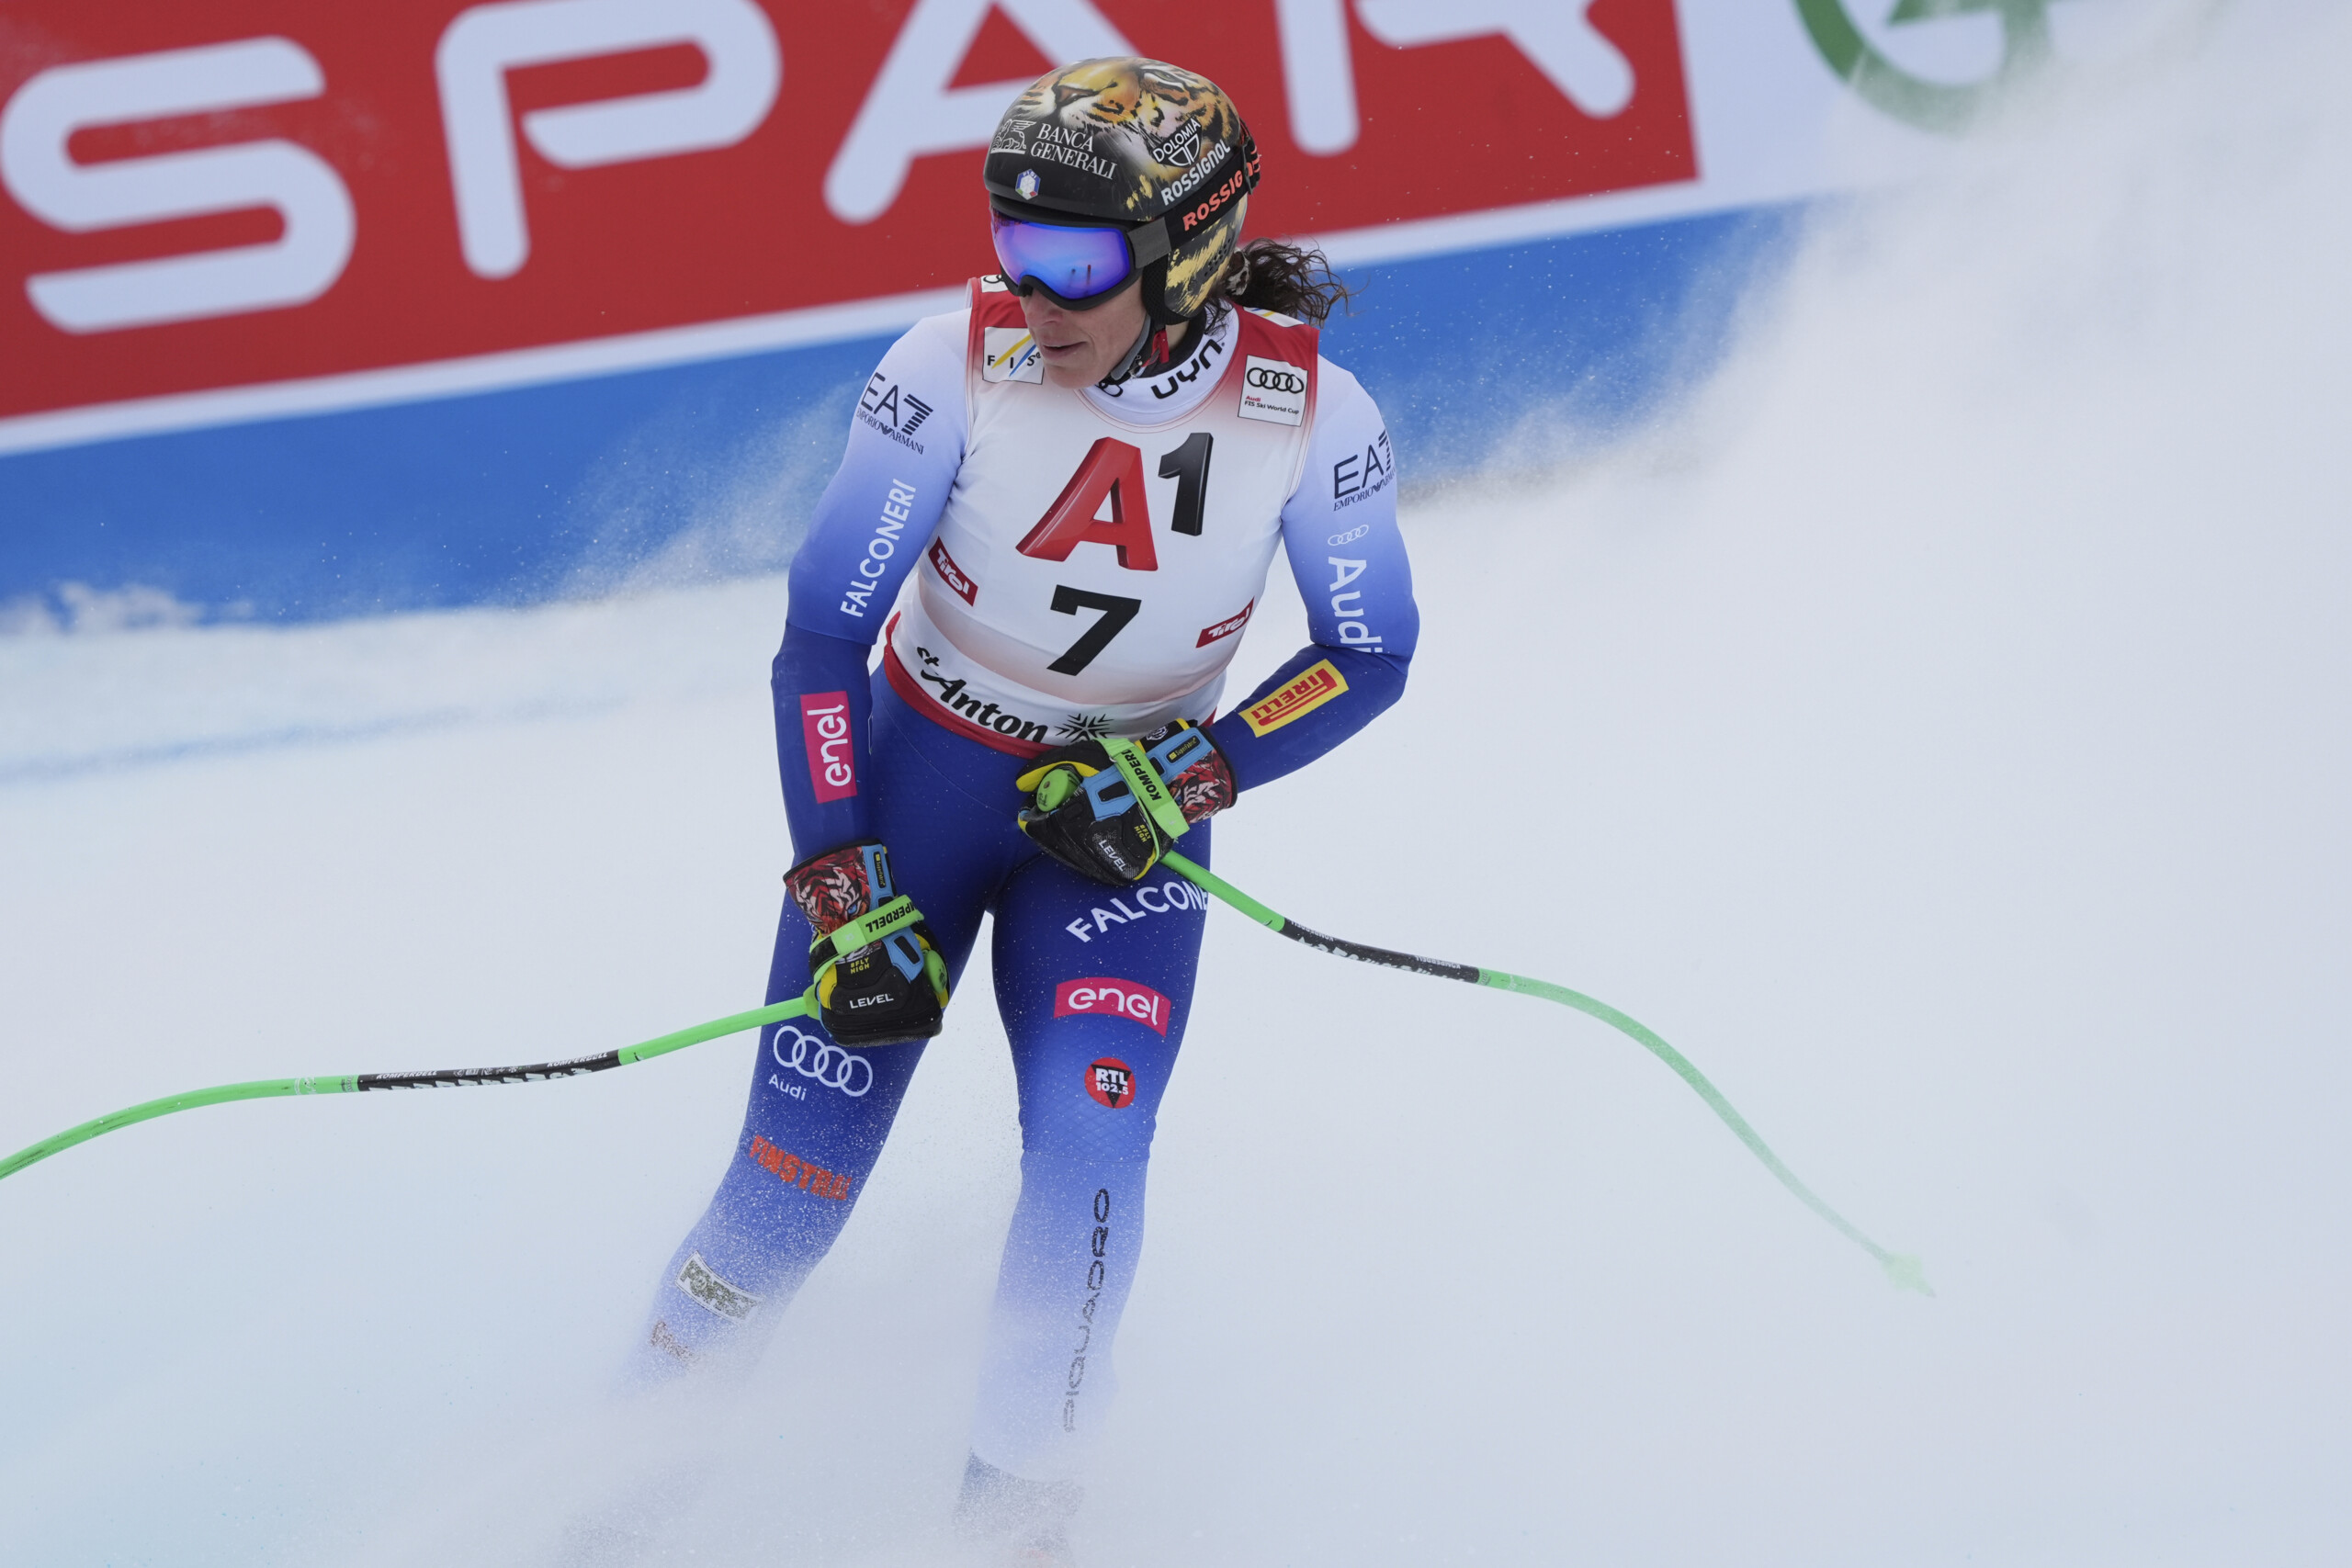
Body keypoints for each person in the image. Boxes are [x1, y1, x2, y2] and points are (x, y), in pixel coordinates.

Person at [628, 57, 1418, 1564]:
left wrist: (1191, 778)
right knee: (782, 1194)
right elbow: (815, 649)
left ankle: (1015, 1530)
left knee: (1089, 1158)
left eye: (1073, 259)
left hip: (1113, 834)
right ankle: (609, 1506)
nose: (1033, 291)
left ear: (1189, 247)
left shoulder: (1311, 409)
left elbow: (1371, 653)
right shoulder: (948, 365)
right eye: (1011, 242)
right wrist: (845, 890)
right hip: (908, 803)